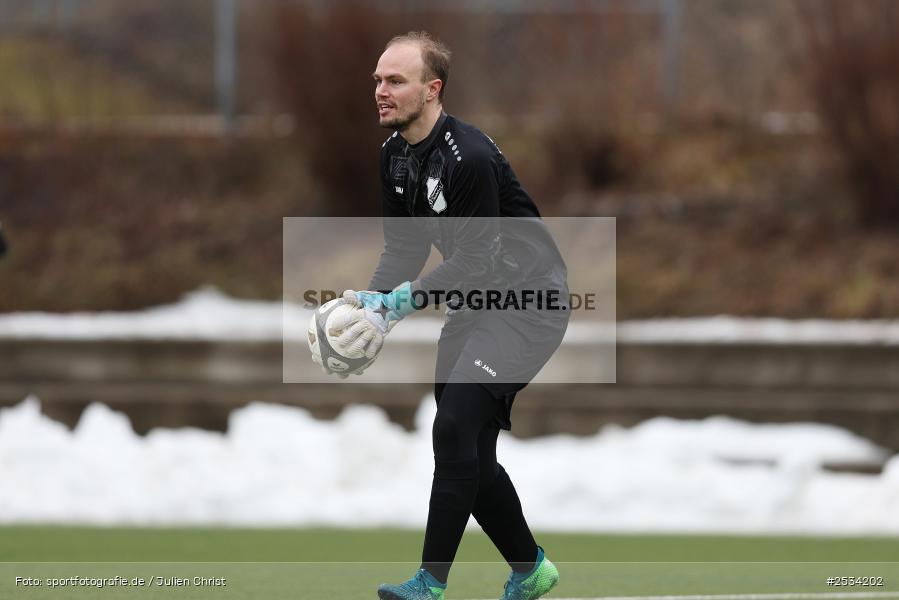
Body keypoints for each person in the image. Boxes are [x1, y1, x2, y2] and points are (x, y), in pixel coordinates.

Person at [340, 31, 569, 600]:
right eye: (378, 80)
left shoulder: (469, 159)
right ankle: (531, 570)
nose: (381, 91)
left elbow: (477, 259)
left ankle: (430, 583)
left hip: (528, 304)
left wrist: (398, 305)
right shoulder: (394, 156)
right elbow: (404, 249)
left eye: (396, 81)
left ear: (432, 90)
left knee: (453, 428)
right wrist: (372, 306)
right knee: (467, 451)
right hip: (475, 304)